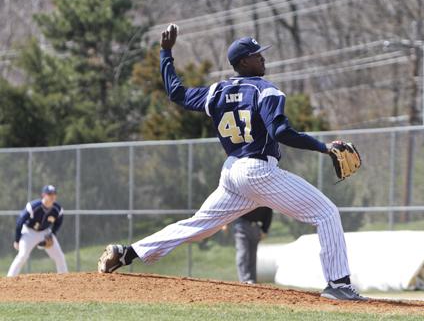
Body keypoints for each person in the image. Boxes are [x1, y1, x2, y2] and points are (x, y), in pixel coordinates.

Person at [98, 24, 366, 301]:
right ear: (242, 62)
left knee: (198, 225)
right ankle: (339, 284)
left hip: (232, 173)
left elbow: (176, 93)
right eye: (256, 54)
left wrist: (166, 53)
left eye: (261, 53)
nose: (262, 57)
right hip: (258, 172)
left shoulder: (216, 92)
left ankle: (126, 253)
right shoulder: (266, 91)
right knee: (326, 213)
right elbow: (280, 132)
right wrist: (323, 147)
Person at [7, 185, 68, 277]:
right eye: (49, 194)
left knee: (60, 257)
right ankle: (9, 279)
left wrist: (52, 234)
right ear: (43, 195)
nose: (52, 196)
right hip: (29, 232)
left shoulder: (58, 209)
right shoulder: (33, 206)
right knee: (22, 255)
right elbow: (20, 221)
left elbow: (58, 223)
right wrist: (17, 240)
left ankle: (65, 279)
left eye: (54, 194)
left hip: (45, 232)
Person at [232, 206, 272, 284]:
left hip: (256, 226)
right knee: (243, 252)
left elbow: (269, 211)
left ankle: (252, 281)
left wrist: (265, 229)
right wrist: (224, 222)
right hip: (241, 224)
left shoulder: (266, 196)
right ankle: (244, 280)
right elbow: (233, 204)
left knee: (252, 255)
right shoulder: (247, 193)